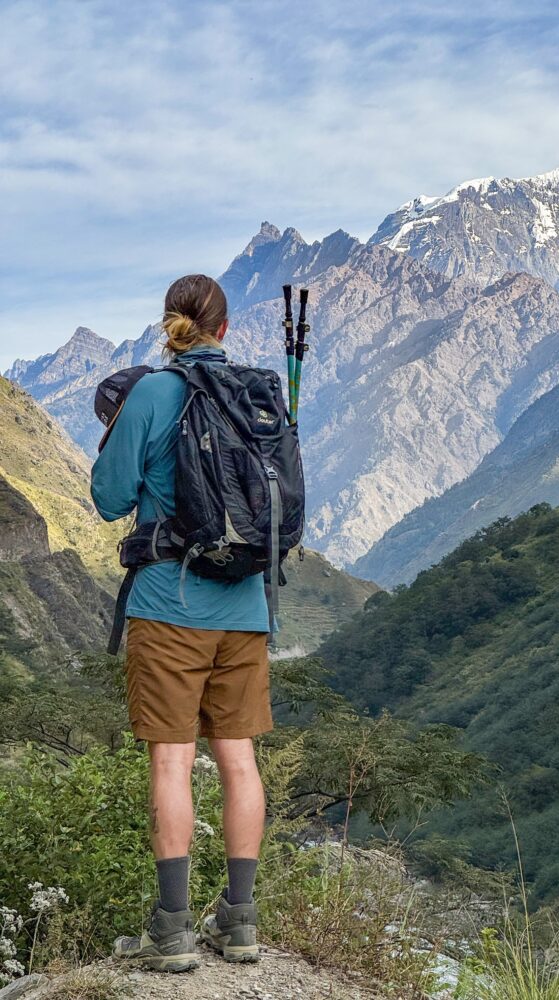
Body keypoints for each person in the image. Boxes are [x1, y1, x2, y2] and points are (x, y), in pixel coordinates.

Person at [91, 274, 273, 972]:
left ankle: (172, 928)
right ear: (224, 330)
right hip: (247, 608)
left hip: (170, 606)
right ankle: (242, 920)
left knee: (171, 760)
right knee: (238, 759)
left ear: (171, 325)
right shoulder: (259, 396)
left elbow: (109, 498)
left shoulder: (152, 393)